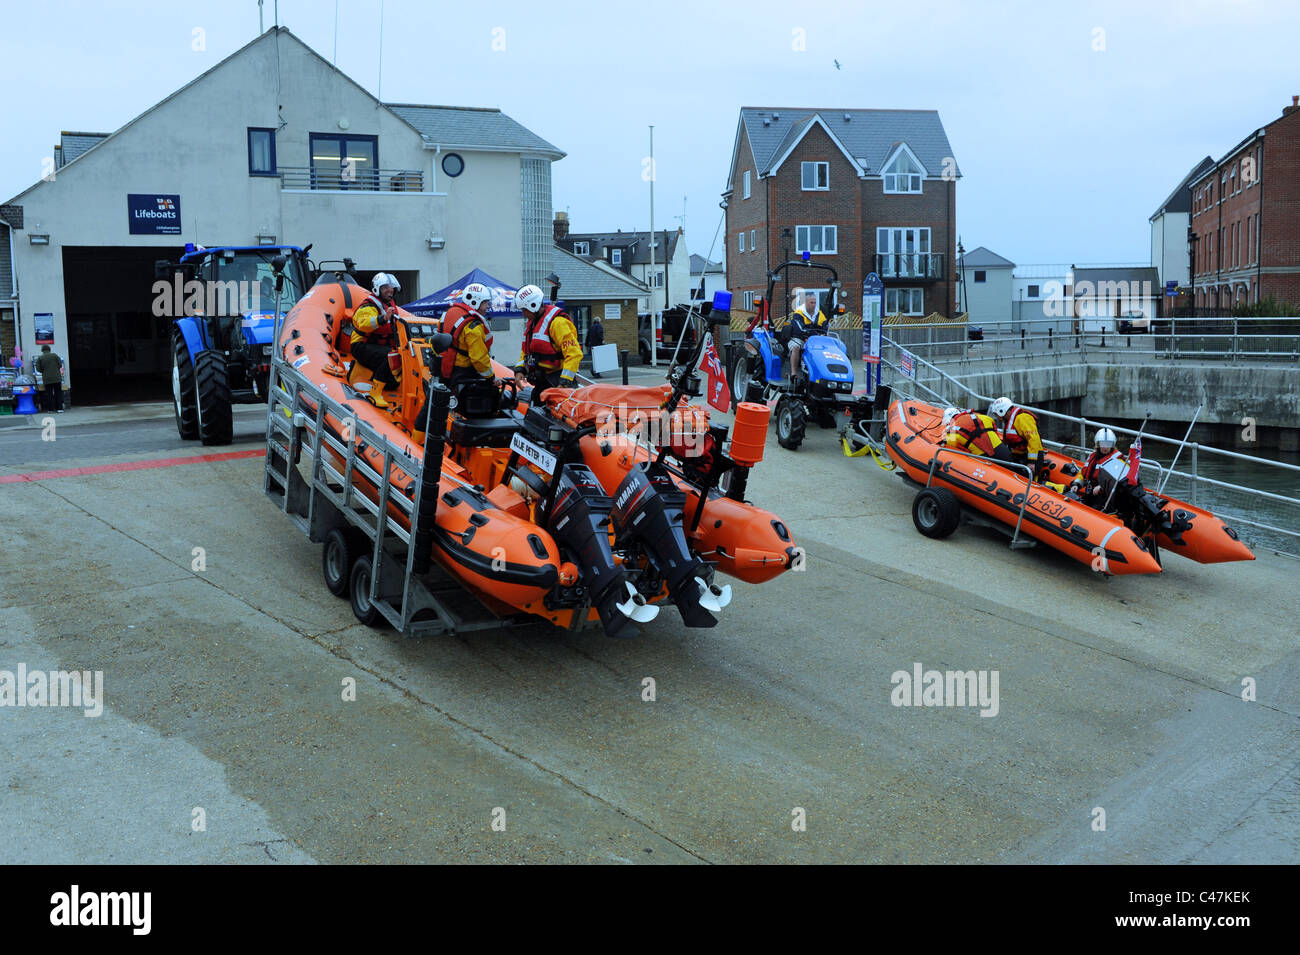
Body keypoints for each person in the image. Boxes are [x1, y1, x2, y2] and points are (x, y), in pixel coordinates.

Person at [514, 284, 583, 391]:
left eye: (524, 310)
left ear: (533, 305)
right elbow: (527, 352)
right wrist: (519, 370)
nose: (523, 313)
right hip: (542, 380)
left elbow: (574, 354)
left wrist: (564, 382)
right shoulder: (532, 323)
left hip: (558, 380)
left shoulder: (558, 323)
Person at [349, 273, 402, 407]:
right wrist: (382, 319)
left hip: (375, 345)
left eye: (391, 288)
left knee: (393, 382)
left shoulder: (389, 304)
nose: (389, 291)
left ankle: (369, 375)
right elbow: (365, 324)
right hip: (360, 345)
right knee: (389, 355)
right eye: (385, 288)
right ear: (377, 289)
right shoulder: (368, 306)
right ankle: (374, 393)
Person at [438, 282, 496, 393]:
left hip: (444, 371)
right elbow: (478, 358)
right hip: (464, 374)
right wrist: (491, 378)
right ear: (474, 302)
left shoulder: (447, 314)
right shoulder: (473, 326)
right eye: (485, 303)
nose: (487, 307)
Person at [1071, 428, 1136, 511]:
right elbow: (1083, 474)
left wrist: (1101, 487)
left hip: (1104, 498)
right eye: (1103, 444)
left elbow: (1121, 482)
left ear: (1112, 445)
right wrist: (1077, 484)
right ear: (1098, 444)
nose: (1105, 447)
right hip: (1090, 493)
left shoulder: (1117, 460)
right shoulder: (1092, 457)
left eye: (1108, 444)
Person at [989, 396, 1049, 481]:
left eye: (996, 414)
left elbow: (1034, 440)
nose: (997, 417)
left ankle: (1057, 488)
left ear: (1001, 411)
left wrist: (1031, 462)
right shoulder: (1011, 420)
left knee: (1029, 481)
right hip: (1020, 456)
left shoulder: (1023, 418)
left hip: (1032, 458)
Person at [783, 290, 828, 386]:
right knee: (795, 347)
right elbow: (800, 328)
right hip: (799, 339)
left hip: (815, 340)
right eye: (811, 302)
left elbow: (825, 327)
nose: (814, 305)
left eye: (815, 302)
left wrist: (822, 333)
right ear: (806, 303)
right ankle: (794, 373)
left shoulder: (820, 314)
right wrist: (815, 332)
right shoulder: (798, 313)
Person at [941, 406, 1013, 461]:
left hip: (983, 458)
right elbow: (993, 425)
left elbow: (955, 450)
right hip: (1002, 450)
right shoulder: (981, 416)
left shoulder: (951, 433)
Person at [35, 345, 64, 413]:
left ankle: (50, 409)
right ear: (49, 349)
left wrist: (44, 371)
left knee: (49, 394)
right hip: (57, 378)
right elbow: (60, 365)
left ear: (42, 350)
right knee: (58, 393)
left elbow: (38, 369)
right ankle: (59, 409)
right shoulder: (54, 355)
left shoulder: (40, 358)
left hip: (47, 379)